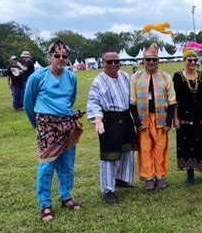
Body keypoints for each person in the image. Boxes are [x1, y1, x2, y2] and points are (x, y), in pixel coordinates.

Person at [24, 40, 83, 221]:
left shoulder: (72, 77)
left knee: (67, 164)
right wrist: (40, 126)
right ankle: (45, 204)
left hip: (66, 124)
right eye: (57, 55)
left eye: (64, 56)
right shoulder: (37, 77)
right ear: (50, 57)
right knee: (46, 165)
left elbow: (70, 99)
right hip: (46, 126)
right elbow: (28, 103)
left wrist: (63, 117)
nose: (61, 59)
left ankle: (66, 197)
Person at [87, 50, 137, 204]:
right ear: (103, 63)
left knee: (127, 150)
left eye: (117, 61)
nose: (114, 65)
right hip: (110, 120)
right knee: (110, 156)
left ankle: (122, 179)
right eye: (110, 62)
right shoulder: (98, 81)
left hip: (125, 118)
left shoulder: (125, 76)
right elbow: (94, 102)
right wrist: (97, 118)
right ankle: (108, 190)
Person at [130, 43, 176, 191]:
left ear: (158, 60)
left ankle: (161, 176)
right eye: (148, 59)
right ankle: (148, 178)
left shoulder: (165, 77)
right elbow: (132, 102)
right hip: (143, 120)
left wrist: (169, 122)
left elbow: (172, 101)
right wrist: (137, 123)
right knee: (145, 149)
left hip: (161, 119)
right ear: (143, 60)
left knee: (161, 148)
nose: (151, 62)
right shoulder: (136, 77)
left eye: (154, 59)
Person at [172, 49, 202, 187]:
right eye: (190, 60)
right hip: (184, 118)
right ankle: (190, 174)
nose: (193, 63)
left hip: (200, 117)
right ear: (184, 61)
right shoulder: (177, 77)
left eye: (195, 60)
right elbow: (174, 100)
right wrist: (175, 118)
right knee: (186, 144)